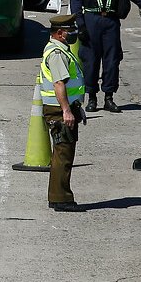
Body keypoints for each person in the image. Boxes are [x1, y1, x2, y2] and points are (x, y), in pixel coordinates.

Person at [39, 14, 86, 212]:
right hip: (59, 111)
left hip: (64, 108)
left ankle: (61, 196)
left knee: (64, 152)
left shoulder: (59, 49)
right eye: (70, 31)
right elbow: (59, 84)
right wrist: (66, 110)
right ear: (59, 33)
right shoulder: (57, 53)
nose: (74, 33)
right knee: (62, 154)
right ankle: (60, 198)